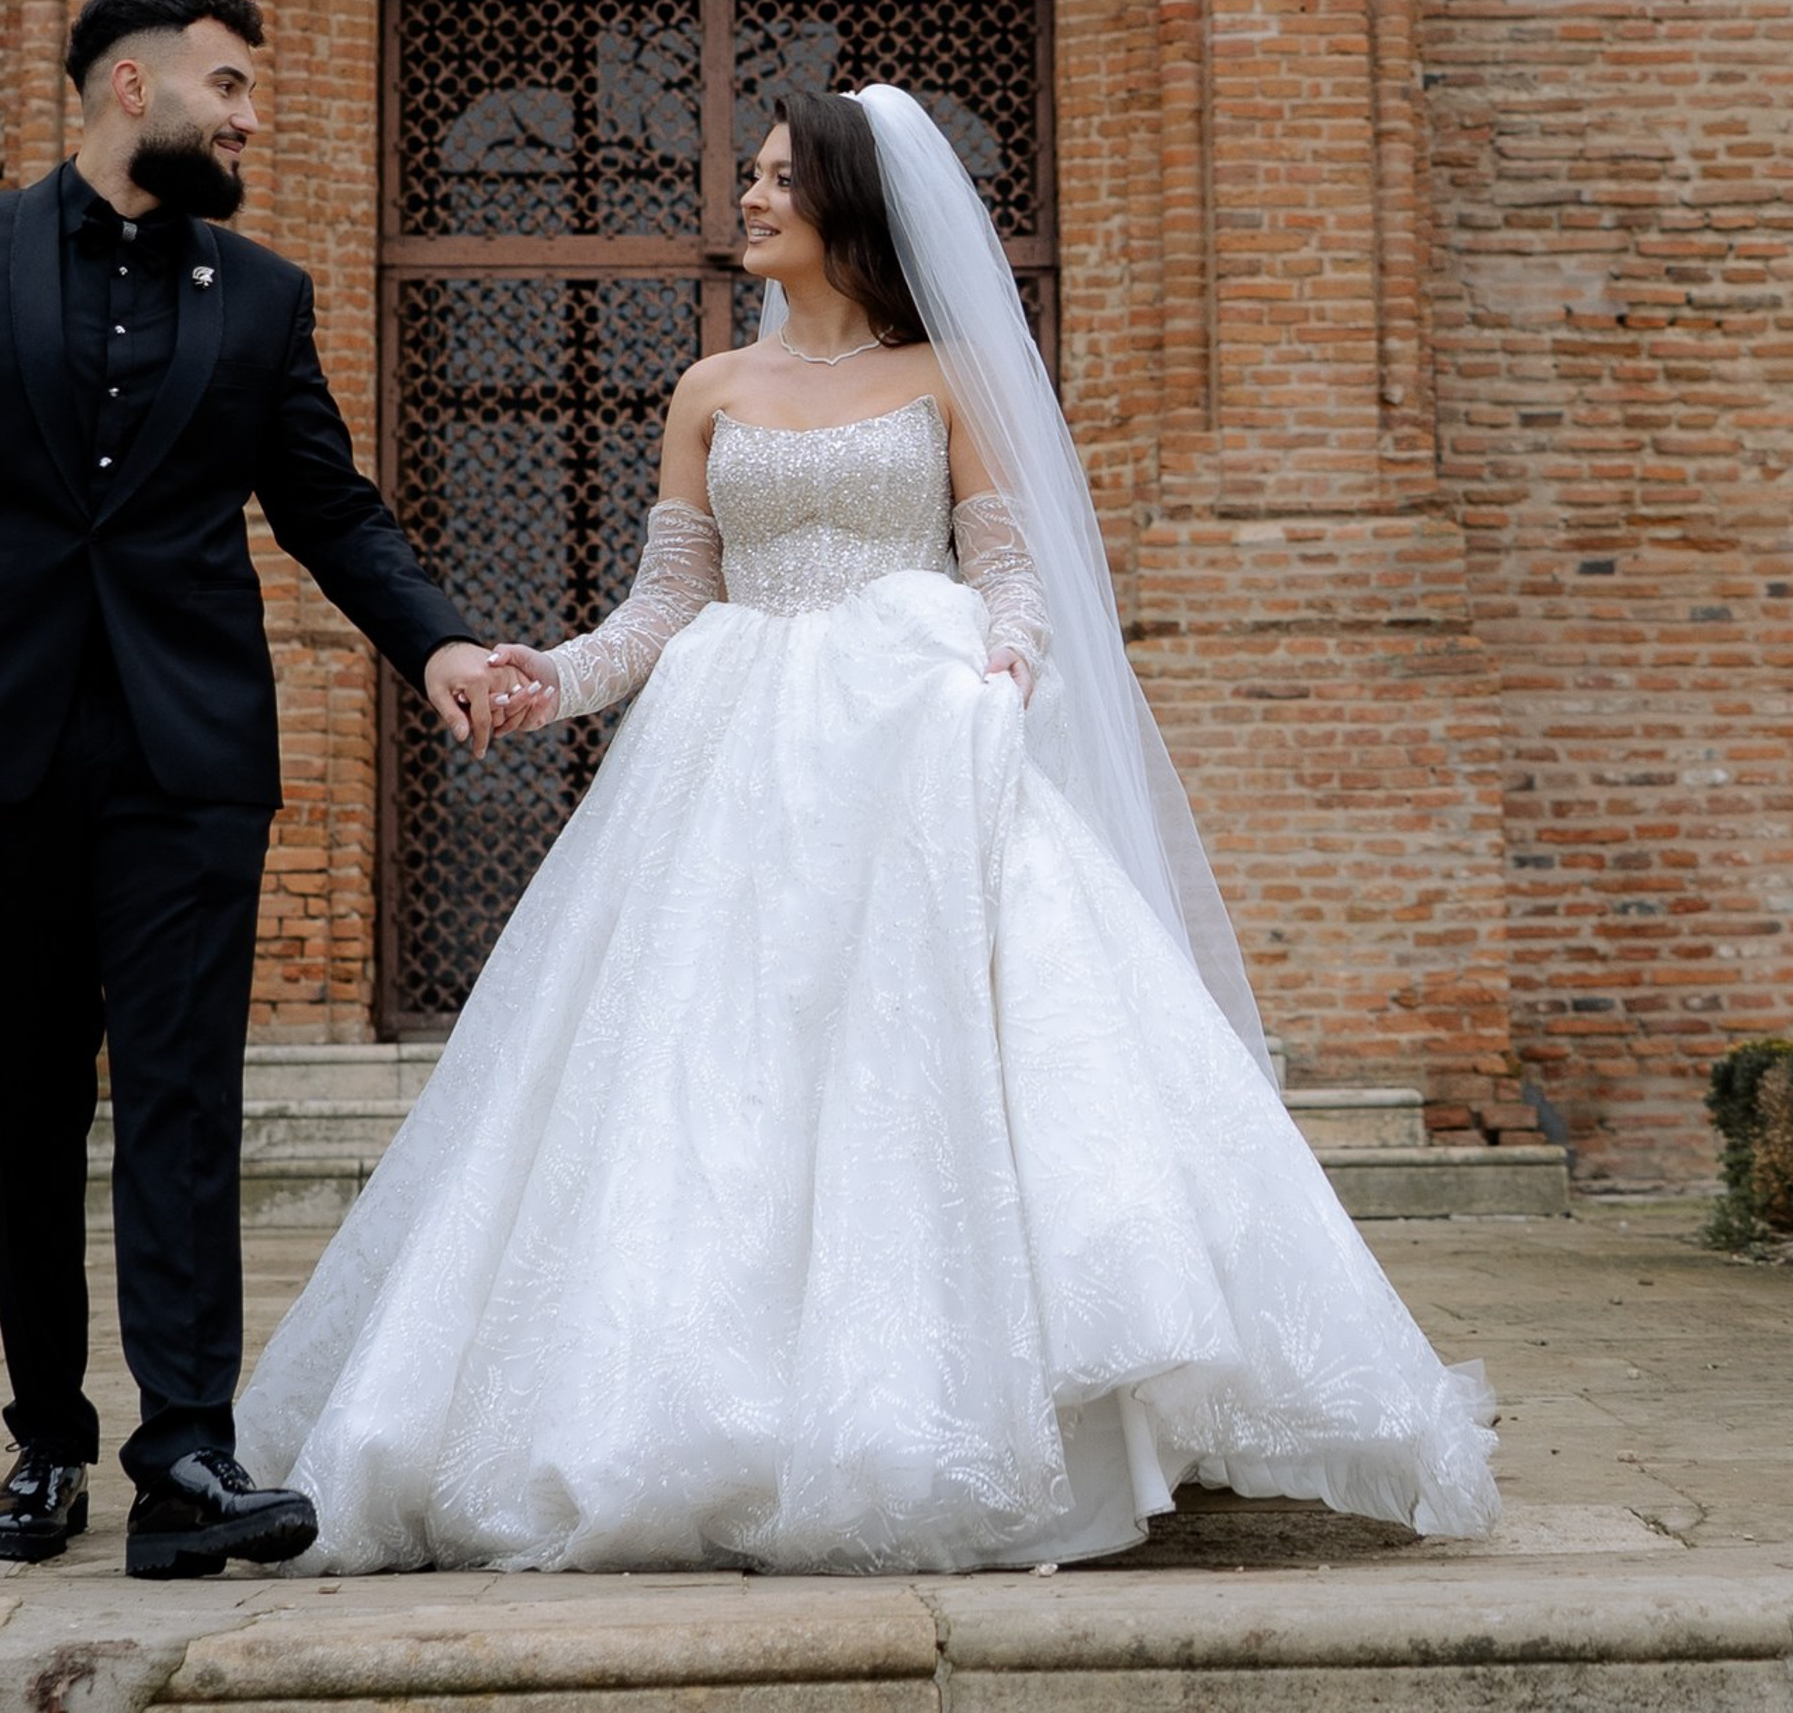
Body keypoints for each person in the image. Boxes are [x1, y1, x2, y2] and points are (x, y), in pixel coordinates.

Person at [236, 81, 1499, 1571]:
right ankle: (704, 1413)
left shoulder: (951, 375)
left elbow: (1008, 570)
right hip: (728, 770)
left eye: (778, 180)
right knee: (710, 1089)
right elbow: (663, 607)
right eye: (751, 179)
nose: (749, 202)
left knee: (933, 1075)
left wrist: (1005, 667)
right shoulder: (708, 391)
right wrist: (540, 684)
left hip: (912, 748)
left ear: (846, 202)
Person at [0, 0, 506, 1580]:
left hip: (189, 758)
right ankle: (46, 1441)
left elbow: (329, 507)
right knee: (19, 1100)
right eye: (229, 89)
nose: (249, 117)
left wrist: (443, 650)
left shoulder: (260, 295)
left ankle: (187, 1451)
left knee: (187, 1101)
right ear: (132, 90)